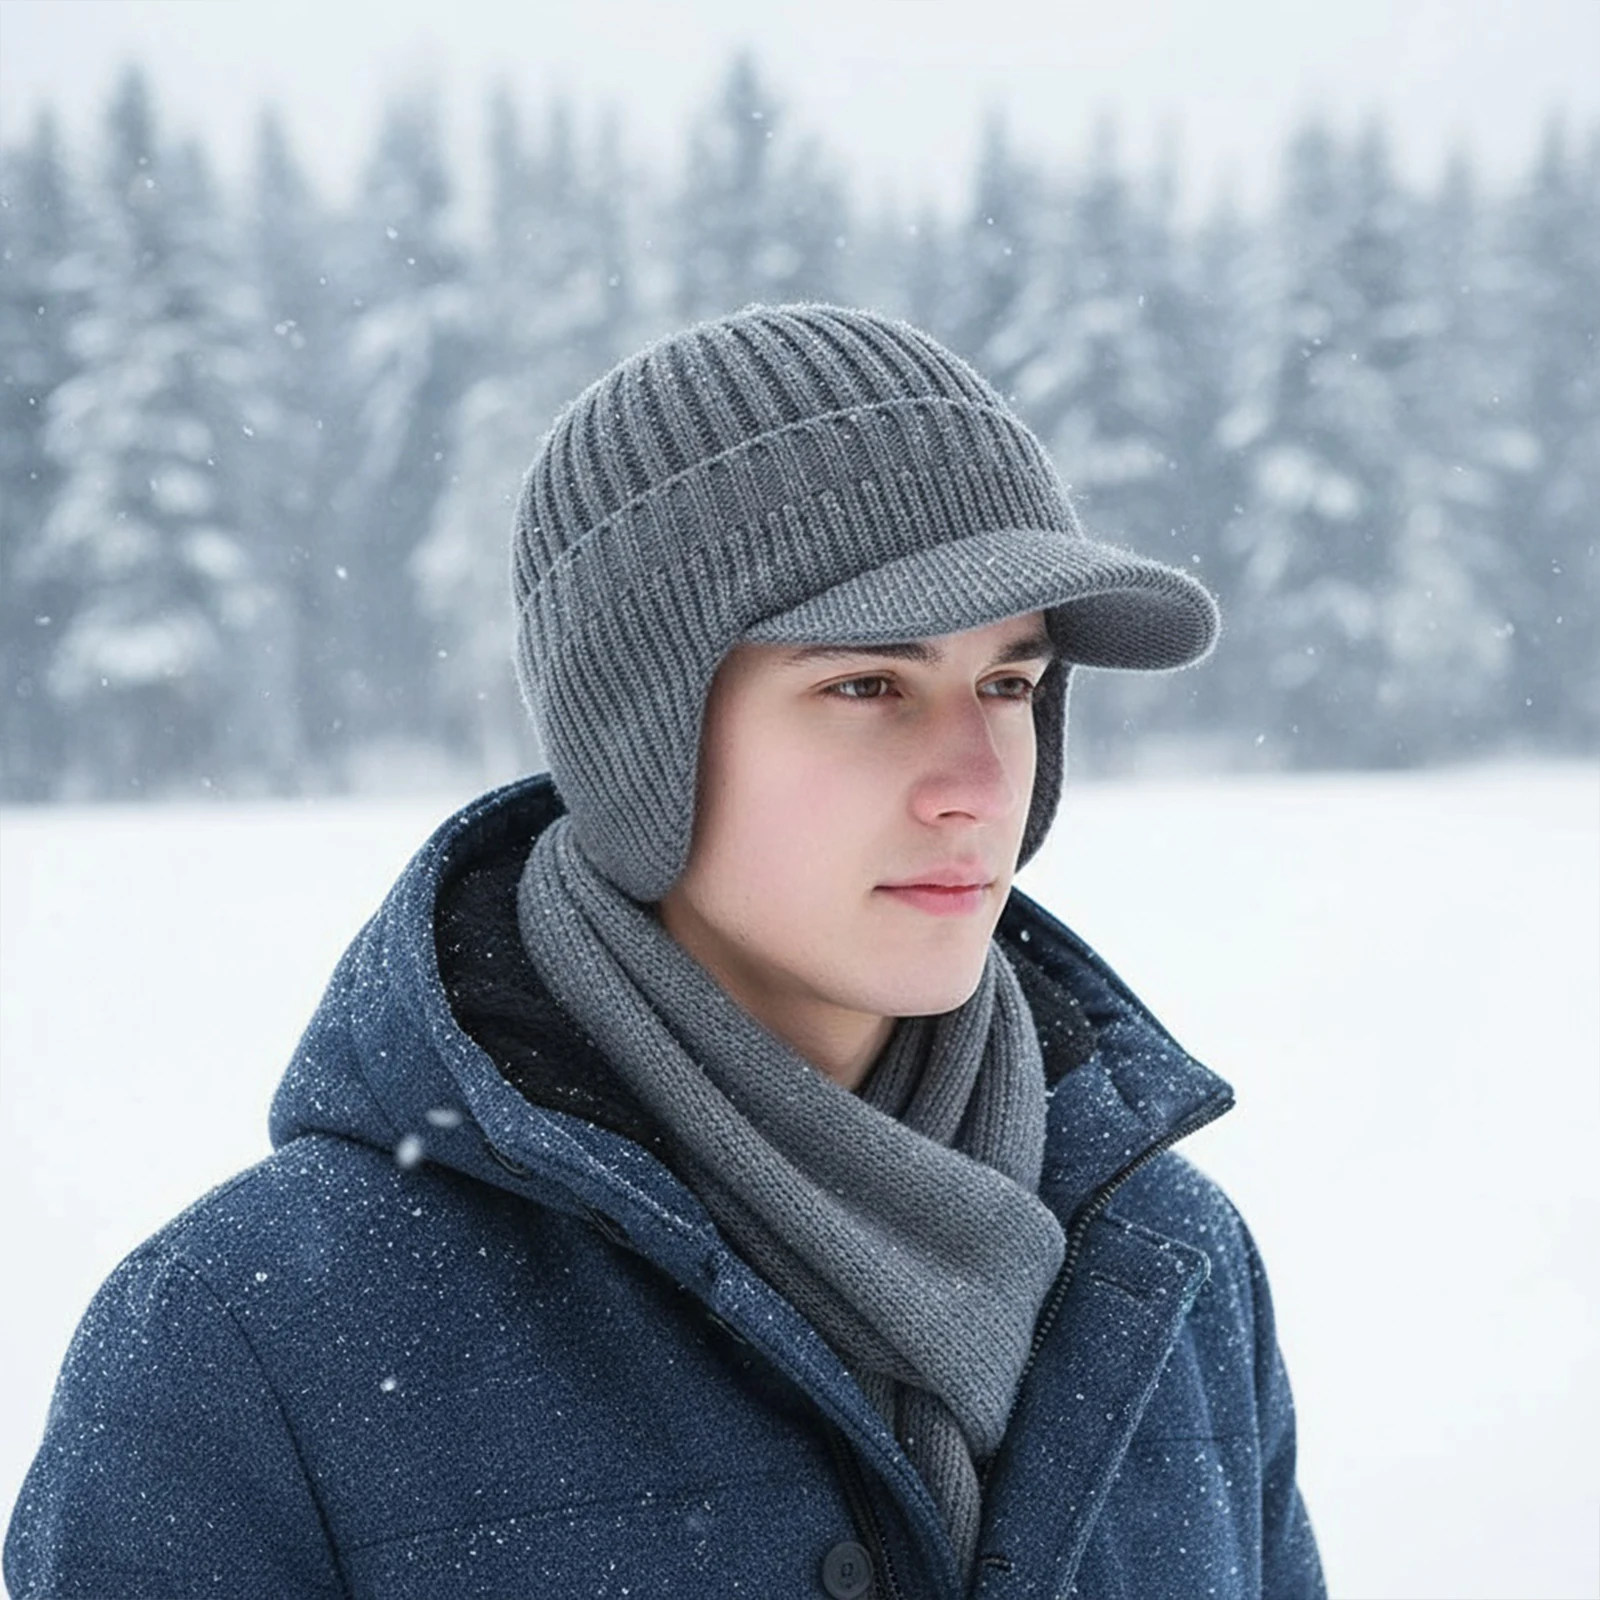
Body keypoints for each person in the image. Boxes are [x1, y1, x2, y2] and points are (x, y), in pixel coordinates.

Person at [5, 304, 1325, 1598]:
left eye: (1009, 684)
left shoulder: (1171, 1268)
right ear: (641, 743)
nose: (977, 784)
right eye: (868, 686)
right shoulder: (256, 1345)